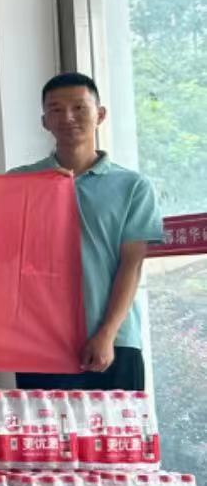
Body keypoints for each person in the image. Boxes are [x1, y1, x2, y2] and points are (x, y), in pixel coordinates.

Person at [11, 72, 164, 391]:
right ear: (44, 121)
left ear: (101, 114)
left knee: (117, 426)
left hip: (115, 342)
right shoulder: (18, 183)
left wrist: (107, 332)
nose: (68, 117)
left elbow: (131, 265)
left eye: (79, 107)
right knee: (44, 426)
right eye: (56, 109)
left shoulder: (132, 186)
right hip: (41, 342)